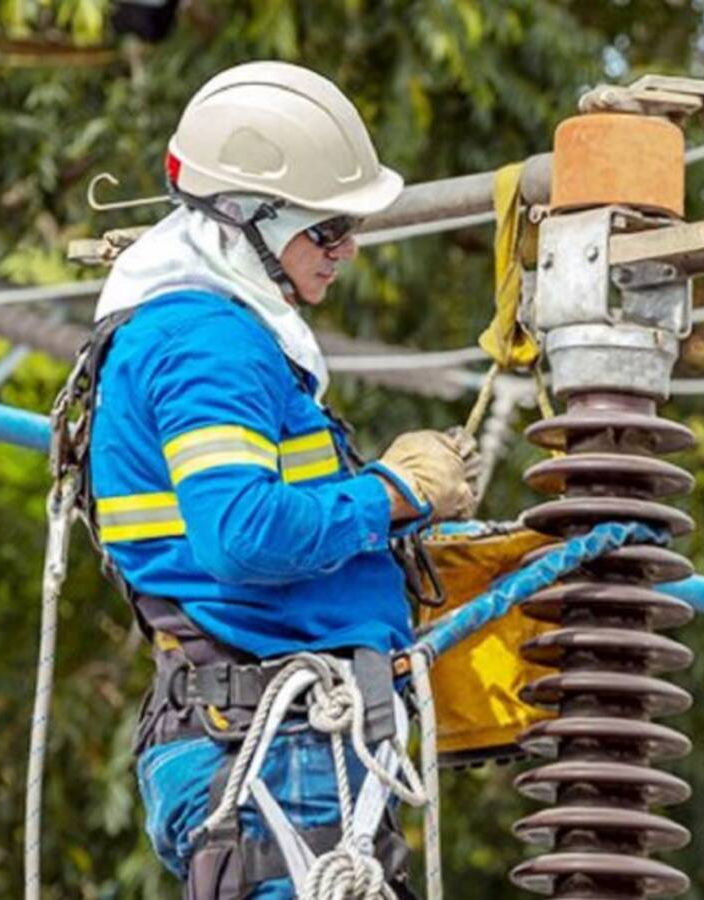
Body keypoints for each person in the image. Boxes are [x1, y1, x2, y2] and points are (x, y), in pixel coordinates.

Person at [86, 61, 480, 898]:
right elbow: (241, 534)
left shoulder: (208, 333)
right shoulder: (207, 343)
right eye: (328, 230)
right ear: (246, 221)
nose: (347, 252)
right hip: (272, 746)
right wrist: (395, 493)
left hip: (274, 741)